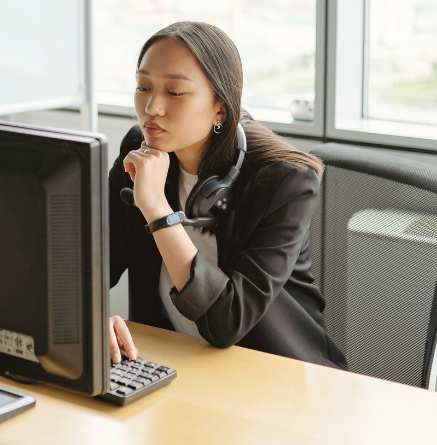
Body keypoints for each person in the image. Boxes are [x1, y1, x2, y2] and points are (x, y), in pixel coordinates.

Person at [108, 21, 348, 370]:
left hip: (275, 376)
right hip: (172, 365)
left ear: (220, 107)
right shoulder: (139, 151)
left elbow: (226, 323)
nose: (151, 107)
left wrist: (157, 209)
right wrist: (88, 316)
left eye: (174, 92)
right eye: (143, 87)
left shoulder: (285, 181)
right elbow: (88, 265)